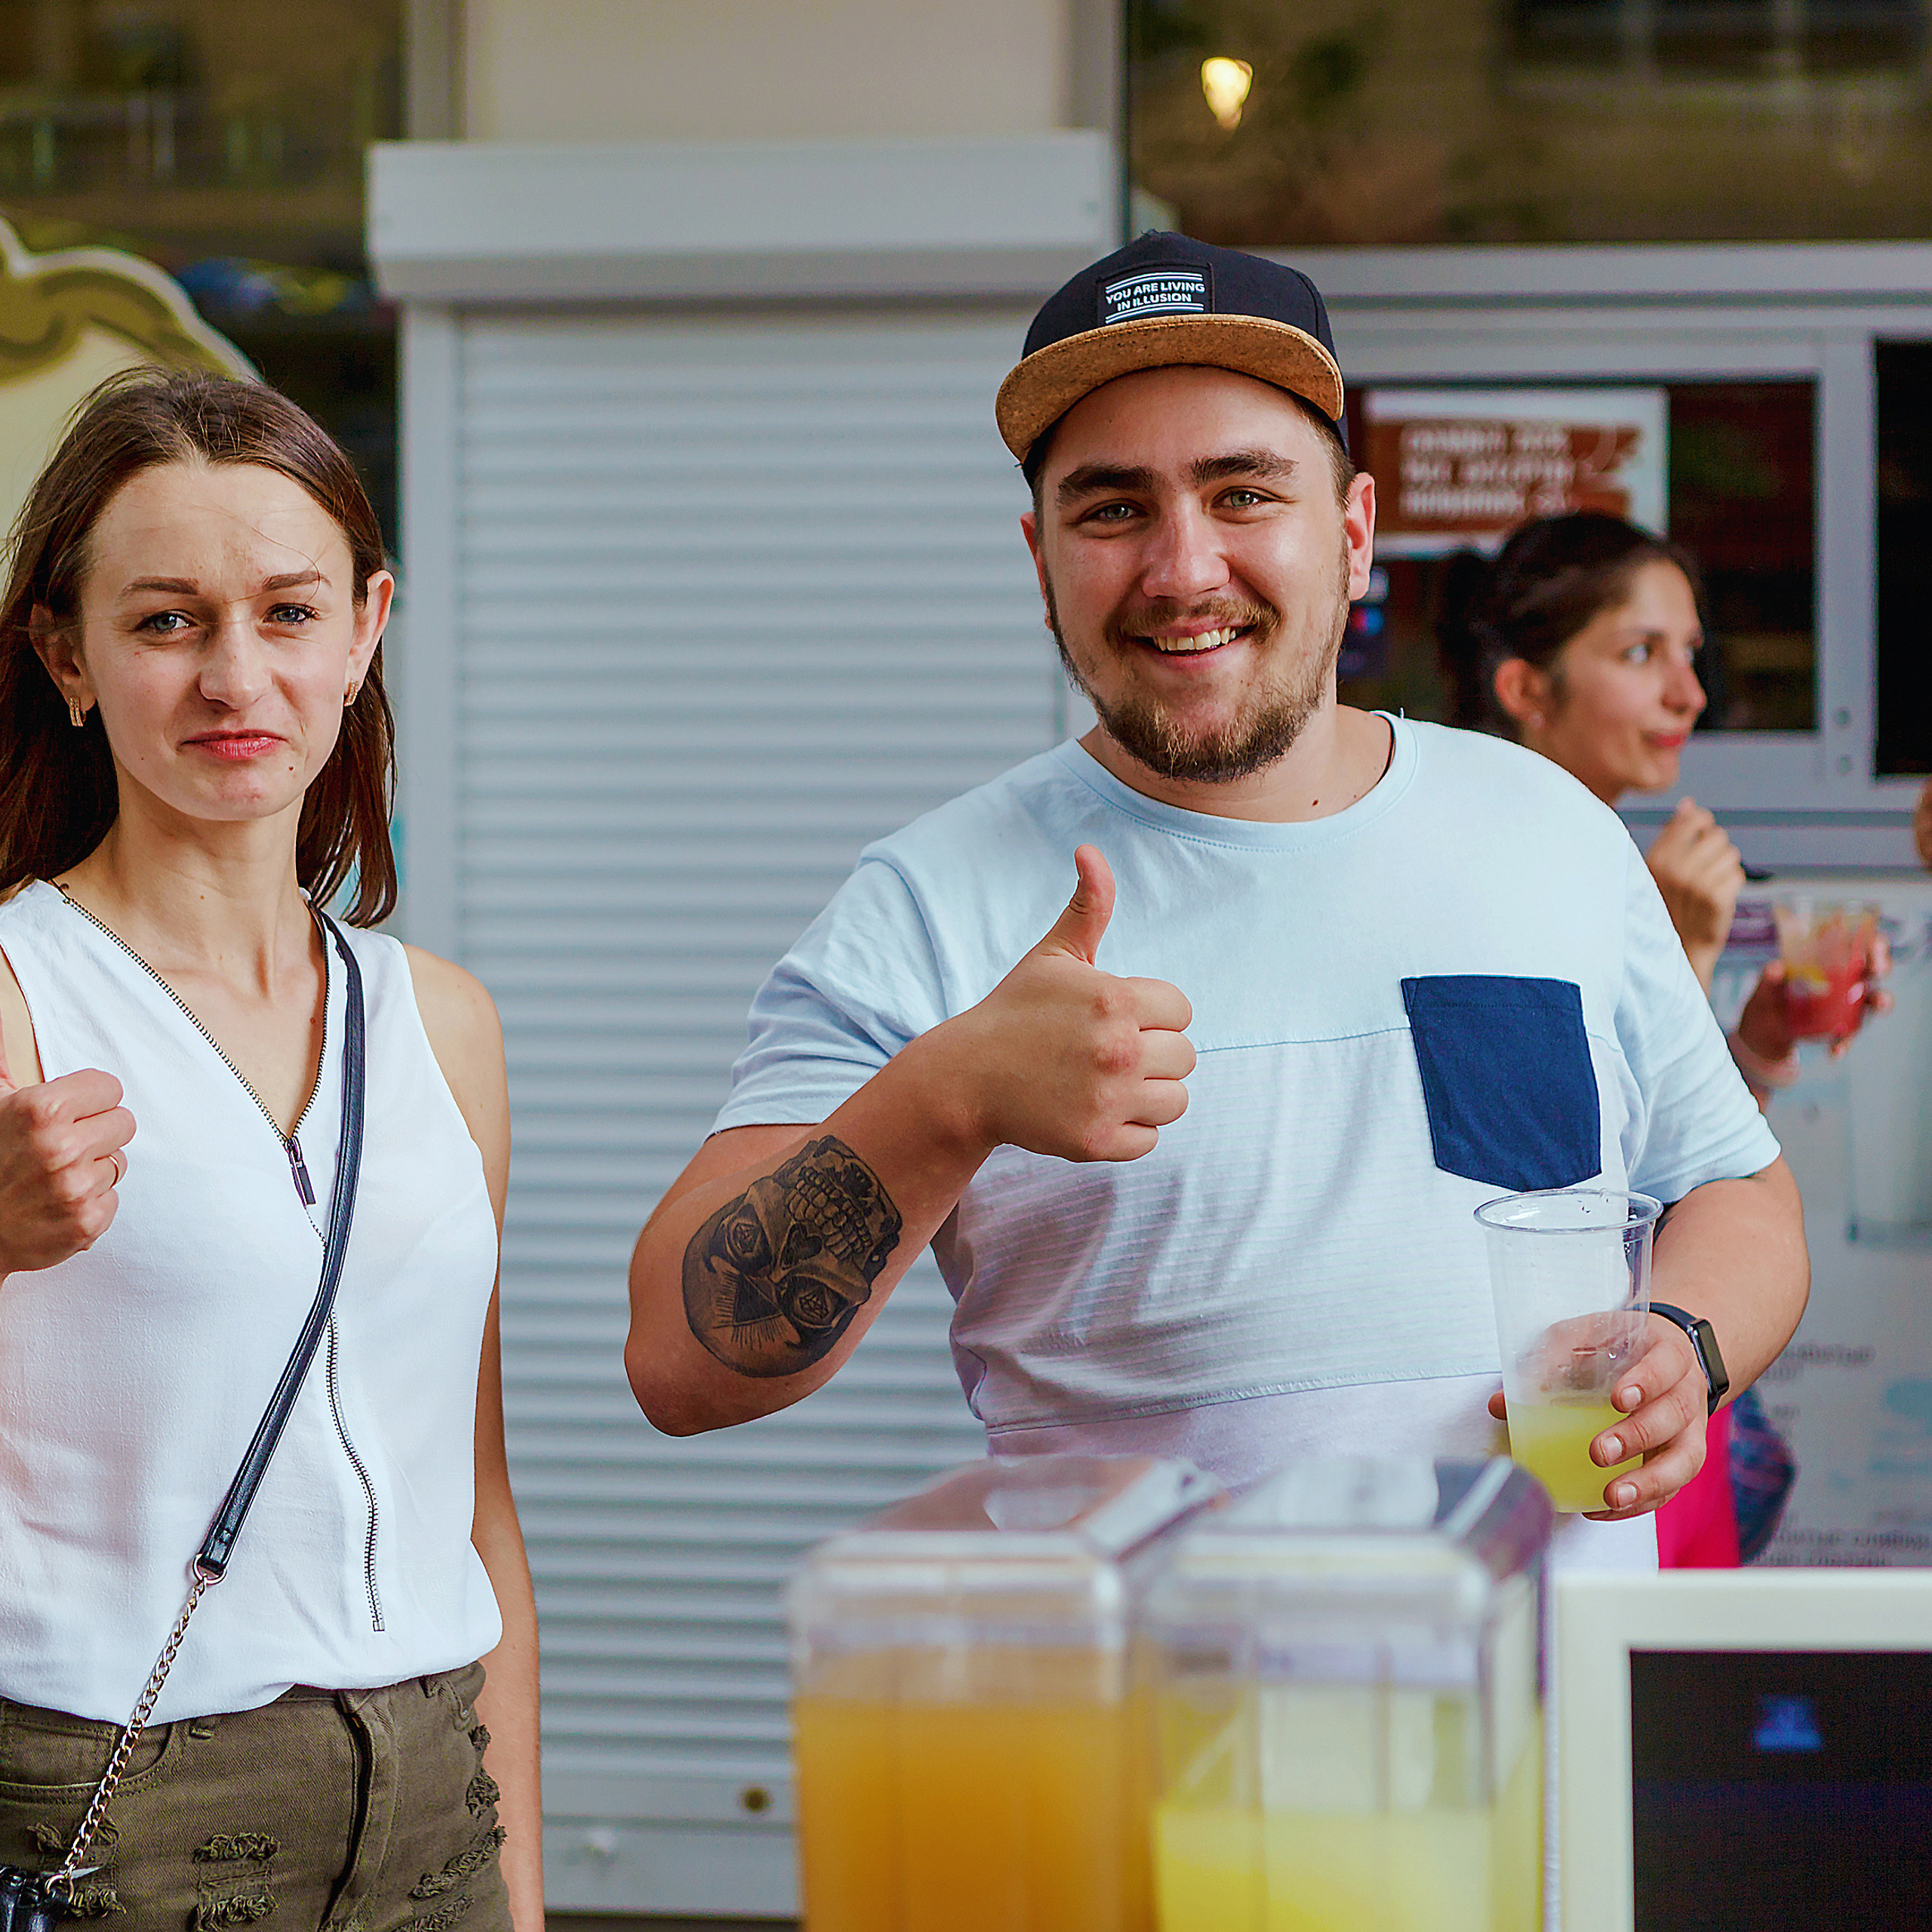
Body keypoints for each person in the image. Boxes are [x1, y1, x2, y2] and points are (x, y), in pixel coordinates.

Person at [624, 232, 1808, 1577]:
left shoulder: (1548, 831)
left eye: (1244, 493)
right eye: (1113, 509)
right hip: (1140, 1762)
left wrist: (1688, 1341)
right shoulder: (932, 903)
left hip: (1547, 1748)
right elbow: (678, 1360)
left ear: (1352, 531)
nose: (1184, 569)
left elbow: (1737, 1194)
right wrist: (947, 1097)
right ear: (1040, 556)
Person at [0, 371, 540, 1932]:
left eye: (288, 613)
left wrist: (520, 1891)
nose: (237, 675)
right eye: (167, 621)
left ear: (367, 627)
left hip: (436, 1791)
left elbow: (477, 1505)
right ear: (66, 655)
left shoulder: (443, 1022)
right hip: (126, 1810)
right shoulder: (20, 998)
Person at [1435, 510, 1863, 1564]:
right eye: (1640, 654)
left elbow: (1693, 1162)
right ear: (1526, 691)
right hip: (1562, 1412)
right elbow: (1576, 1177)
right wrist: (1691, 951)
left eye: (1690, 654)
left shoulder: (1629, 863)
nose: (1689, 693)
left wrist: (1755, 1042)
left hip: (1657, 1374)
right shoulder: (1477, 893)